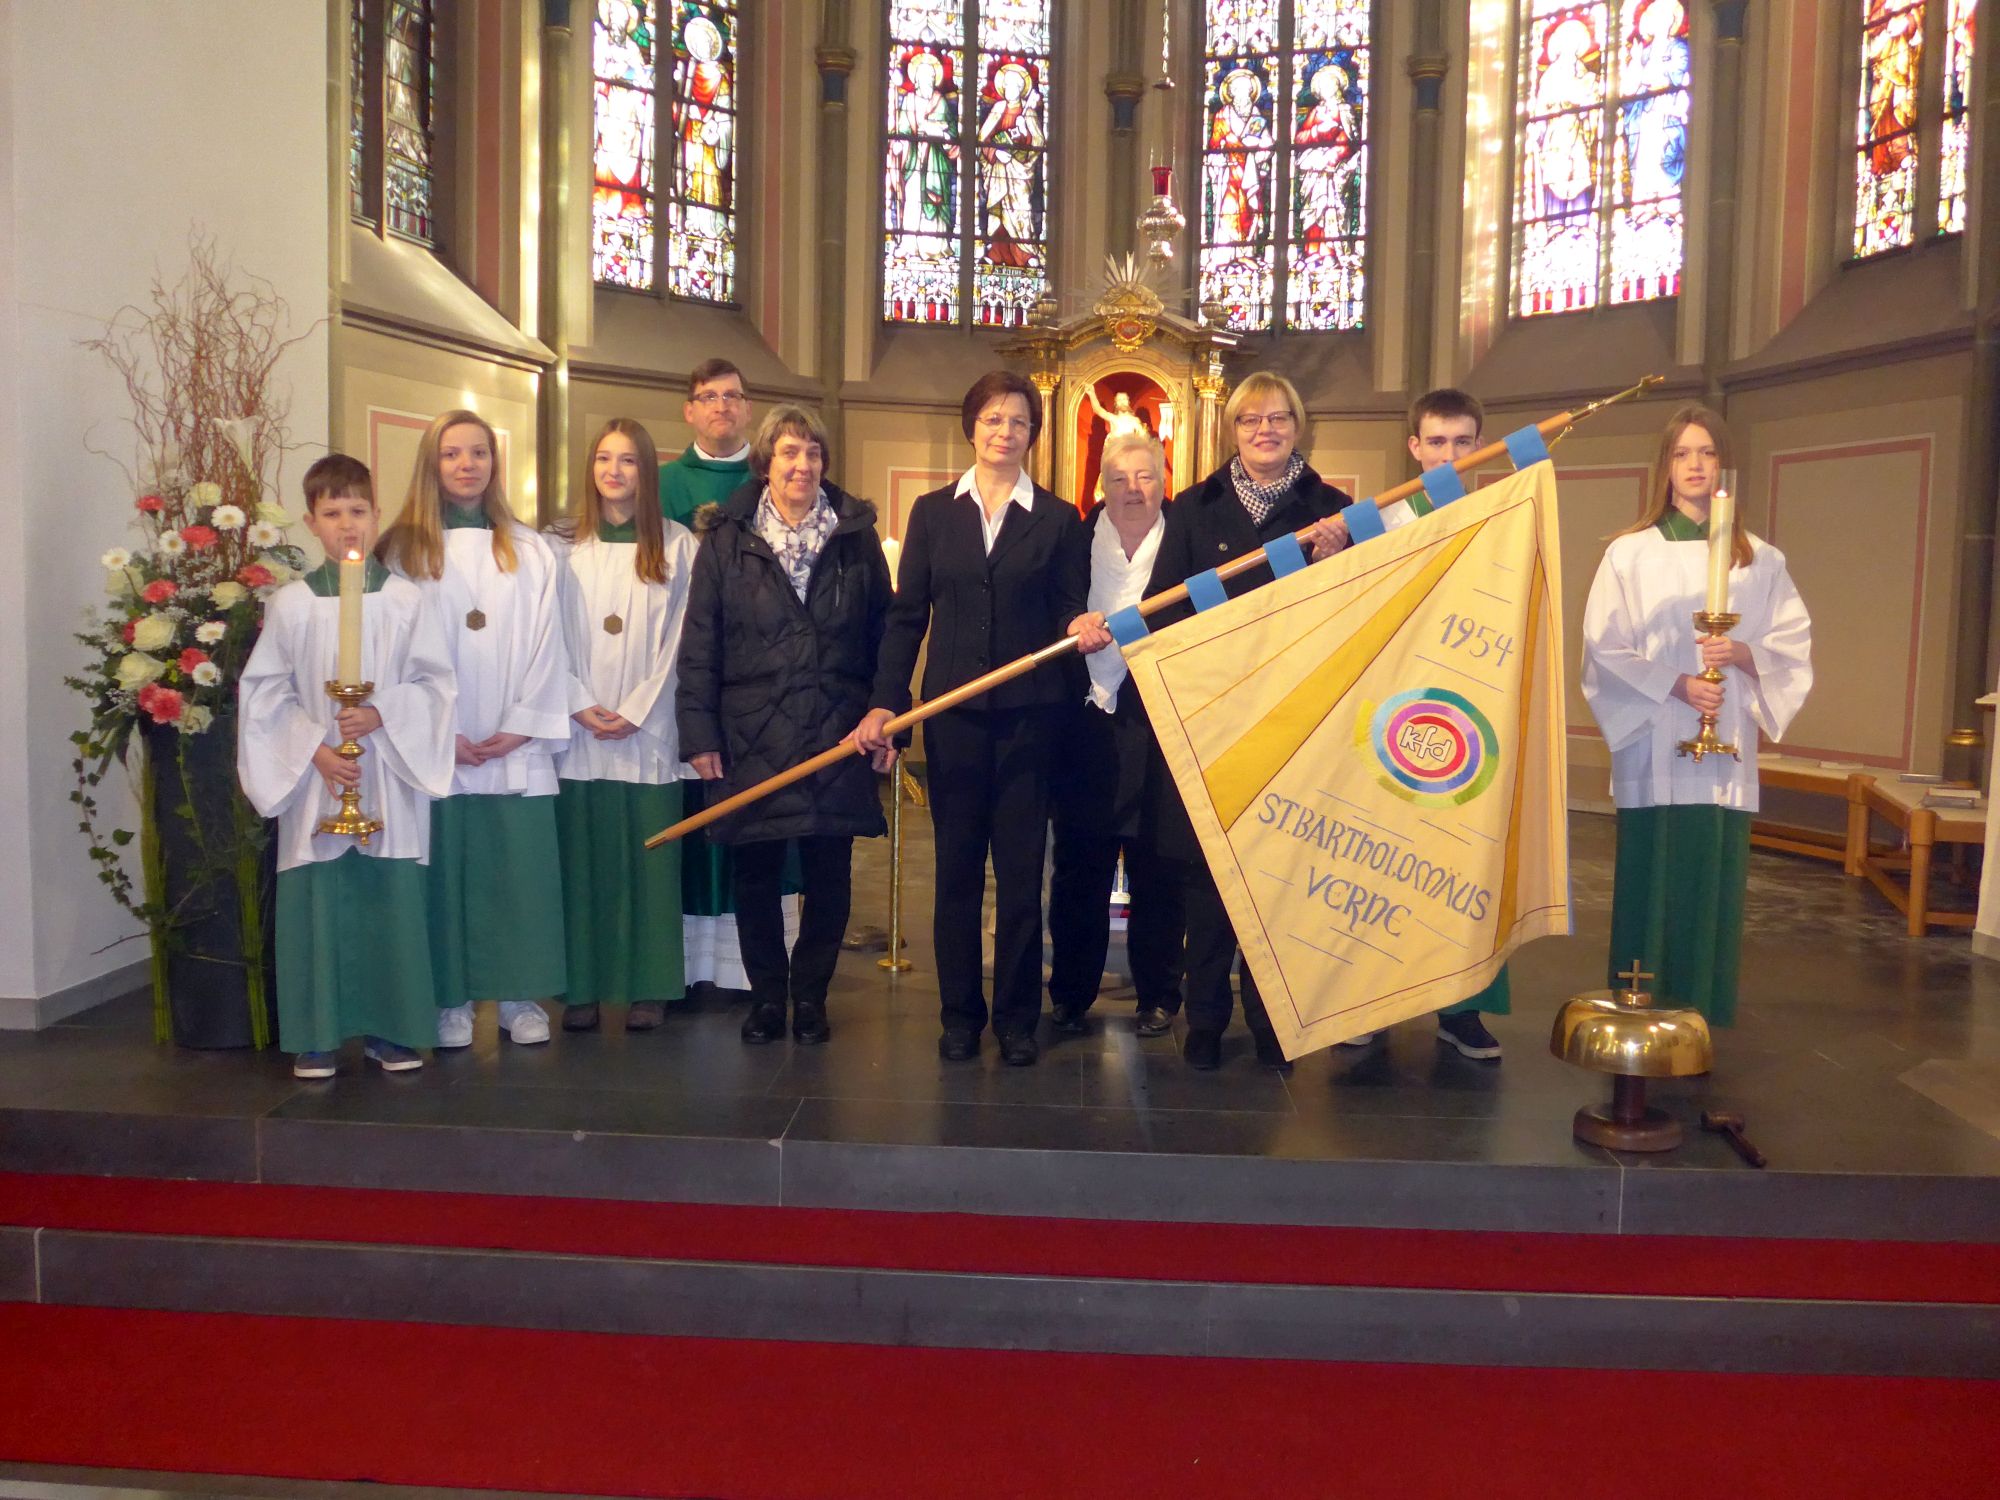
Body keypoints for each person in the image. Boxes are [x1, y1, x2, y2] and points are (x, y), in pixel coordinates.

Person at [855, 371, 1094, 1067]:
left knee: (1020, 878)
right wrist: (887, 702)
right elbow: (907, 618)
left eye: (1018, 421)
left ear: (1033, 434)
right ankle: (959, 1014)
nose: (1004, 432)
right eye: (993, 418)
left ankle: (1017, 1019)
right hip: (953, 720)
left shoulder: (1058, 519)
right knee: (956, 874)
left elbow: (1066, 605)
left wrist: (1077, 624)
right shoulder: (934, 514)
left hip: (1030, 721)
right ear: (972, 427)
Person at [1141, 371, 1351, 1072]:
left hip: (1297, 721)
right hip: (1216, 717)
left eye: (1278, 419)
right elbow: (1162, 608)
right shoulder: (1194, 509)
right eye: (1251, 420)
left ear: (1298, 426)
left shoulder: (1335, 511)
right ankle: (1205, 1018)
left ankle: (1272, 1020)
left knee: (1279, 877)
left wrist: (1335, 564)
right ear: (1232, 430)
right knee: (1209, 882)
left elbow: (1360, 617)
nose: (1265, 430)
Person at [1581, 404, 1813, 1023]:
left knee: (1709, 874)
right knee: (1651, 870)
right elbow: (1604, 648)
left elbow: (1791, 646)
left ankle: (1700, 1013)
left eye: (1707, 452)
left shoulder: (1759, 560)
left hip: (1724, 743)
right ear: (1665, 465)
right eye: (1682, 453)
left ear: (1724, 465)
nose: (1695, 465)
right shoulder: (1629, 554)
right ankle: (1638, 1004)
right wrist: (1677, 684)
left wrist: (1741, 653)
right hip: (1653, 735)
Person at [678, 405, 895, 1046]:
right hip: (751, 731)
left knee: (830, 872)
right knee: (757, 872)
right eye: (789, 453)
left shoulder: (855, 537)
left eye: (813, 453)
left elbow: (885, 634)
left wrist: (888, 715)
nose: (802, 465)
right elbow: (700, 641)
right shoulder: (727, 538)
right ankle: (769, 999)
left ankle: (812, 997)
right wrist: (700, 732)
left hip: (837, 728)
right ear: (766, 462)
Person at [240, 455, 455, 1079]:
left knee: (390, 898)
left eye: (357, 511)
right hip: (315, 777)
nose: (347, 524)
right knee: (320, 900)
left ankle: (393, 1030)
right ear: (311, 522)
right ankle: (317, 1035)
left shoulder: (407, 601)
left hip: (388, 771)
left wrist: (383, 713)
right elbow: (264, 695)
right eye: (332, 513)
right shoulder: (291, 605)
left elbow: (437, 686)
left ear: (376, 515)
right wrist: (316, 749)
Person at [379, 409, 571, 1049]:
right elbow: (393, 654)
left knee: (516, 873)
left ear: (494, 462)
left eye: (479, 453)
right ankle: (452, 998)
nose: (467, 465)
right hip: (443, 744)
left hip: (515, 743)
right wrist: (440, 733)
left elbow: (550, 642)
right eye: (453, 453)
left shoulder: (530, 549)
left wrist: (523, 726)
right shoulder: (401, 553)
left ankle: (518, 996)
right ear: (431, 464)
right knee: (450, 872)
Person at [1337, 388, 1510, 1061]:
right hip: (1392, 707)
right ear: (1414, 447)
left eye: (1462, 441)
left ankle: (1461, 1009)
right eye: (1435, 441)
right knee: (1382, 858)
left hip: (1471, 708)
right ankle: (1370, 1000)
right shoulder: (1379, 522)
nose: (1448, 454)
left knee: (1464, 863)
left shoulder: (1503, 515)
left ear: (1480, 446)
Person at [551, 419, 700, 1035]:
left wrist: (639, 708)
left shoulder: (678, 545)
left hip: (649, 733)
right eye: (604, 459)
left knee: (650, 862)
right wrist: (576, 701)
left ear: (647, 472)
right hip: (578, 732)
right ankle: (580, 987)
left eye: (628, 460)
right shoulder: (560, 547)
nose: (613, 471)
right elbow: (544, 636)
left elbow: (686, 638)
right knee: (581, 859)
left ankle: (651, 985)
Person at [1046, 429, 1185, 1039]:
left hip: (1160, 719)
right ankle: (1071, 993)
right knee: (1080, 864)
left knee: (1159, 865)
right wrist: (1069, 622)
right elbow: (1050, 604)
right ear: (1101, 485)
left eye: (1145, 476)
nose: (1133, 489)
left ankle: (1159, 994)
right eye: (1119, 479)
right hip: (1086, 721)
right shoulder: (1073, 541)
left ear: (1164, 481)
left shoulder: (1185, 542)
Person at [659, 358, 790, 995]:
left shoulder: (774, 479)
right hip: (675, 669)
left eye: (733, 396)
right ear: (689, 410)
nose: (721, 407)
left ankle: (752, 966)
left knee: (760, 819)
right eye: (708, 396)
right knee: (693, 811)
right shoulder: (662, 484)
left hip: (758, 681)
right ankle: (686, 962)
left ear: (748, 407)